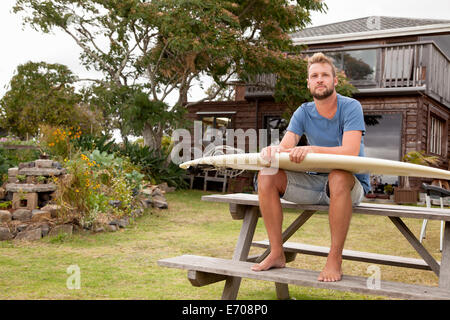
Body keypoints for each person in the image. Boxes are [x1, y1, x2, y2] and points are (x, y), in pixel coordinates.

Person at [251, 52, 371, 282]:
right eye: (314, 76)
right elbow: (286, 146)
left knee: (337, 175)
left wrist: (313, 149)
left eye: (325, 75)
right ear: (308, 83)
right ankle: (276, 252)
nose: (319, 79)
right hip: (314, 184)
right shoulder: (303, 111)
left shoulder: (351, 107)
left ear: (335, 81)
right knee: (267, 174)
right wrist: (274, 150)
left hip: (348, 185)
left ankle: (335, 258)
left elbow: (350, 151)